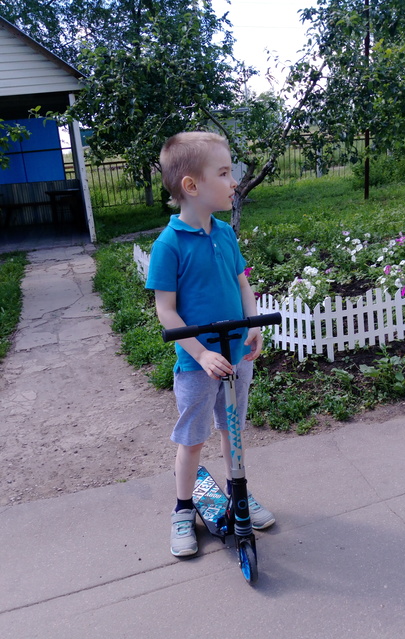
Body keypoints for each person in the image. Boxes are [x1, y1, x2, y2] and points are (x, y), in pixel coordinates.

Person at [146, 131, 275, 557]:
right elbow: (166, 310)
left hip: (237, 355)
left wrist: (252, 325)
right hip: (198, 366)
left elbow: (242, 283)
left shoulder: (224, 233)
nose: (234, 181)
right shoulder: (168, 245)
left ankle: (239, 494)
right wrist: (200, 353)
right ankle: (183, 509)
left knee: (232, 430)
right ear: (191, 185)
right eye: (223, 173)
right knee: (192, 439)